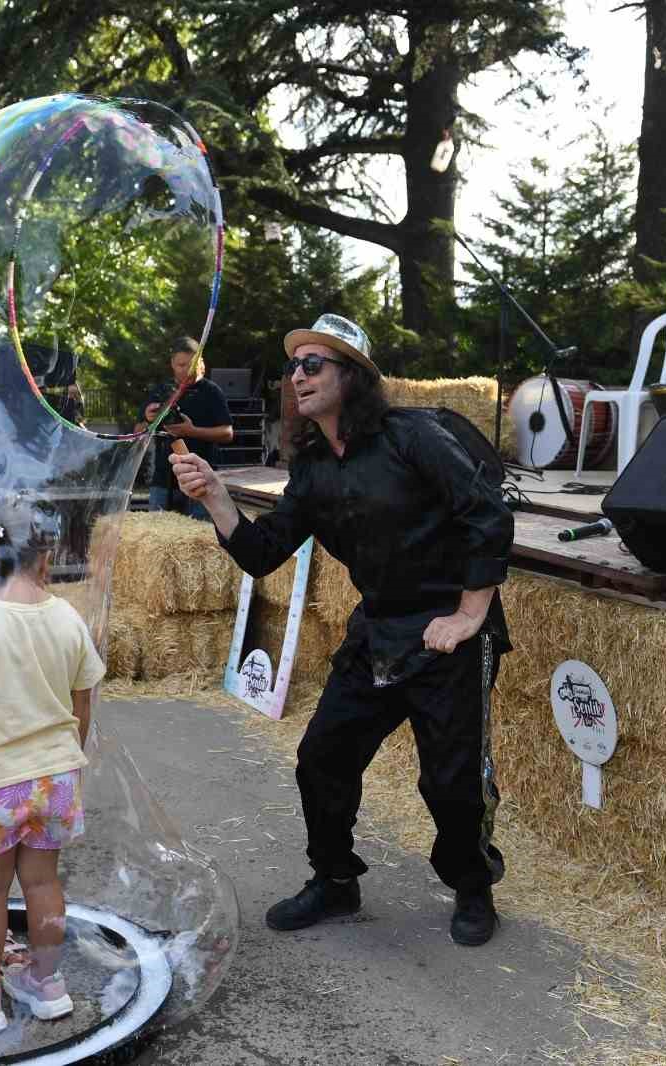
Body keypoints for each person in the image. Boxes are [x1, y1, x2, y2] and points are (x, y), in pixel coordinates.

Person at [169, 313, 516, 947]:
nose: (296, 376)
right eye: (293, 366)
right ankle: (335, 880)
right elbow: (264, 551)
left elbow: (486, 511)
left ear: (351, 376)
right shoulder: (312, 467)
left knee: (450, 781)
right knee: (322, 759)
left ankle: (471, 885)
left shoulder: (412, 437)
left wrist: (469, 614)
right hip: (379, 630)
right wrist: (218, 498)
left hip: (448, 632)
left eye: (313, 364)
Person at [0, 497, 105, 1035]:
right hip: (56, 778)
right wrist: (61, 757)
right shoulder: (67, 618)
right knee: (43, 882)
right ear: (45, 557)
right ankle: (46, 984)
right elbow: (82, 704)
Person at [143, 337, 233, 519]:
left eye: (190, 365)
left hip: (201, 479)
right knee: (158, 538)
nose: (186, 370)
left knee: (199, 539)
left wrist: (191, 431)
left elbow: (227, 433)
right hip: (163, 479)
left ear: (200, 362)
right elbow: (138, 431)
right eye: (181, 365)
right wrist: (148, 418)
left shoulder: (211, 391)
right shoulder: (162, 390)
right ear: (172, 364)